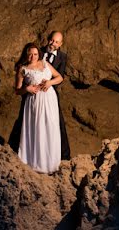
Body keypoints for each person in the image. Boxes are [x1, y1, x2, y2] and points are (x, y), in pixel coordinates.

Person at [14, 43, 62, 173]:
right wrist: (27, 88)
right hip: (35, 101)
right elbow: (17, 91)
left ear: (38, 54)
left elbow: (59, 77)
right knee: (38, 128)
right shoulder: (22, 68)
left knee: (50, 127)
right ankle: (36, 162)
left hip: (50, 99)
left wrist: (49, 82)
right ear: (26, 54)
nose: (33, 57)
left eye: (35, 54)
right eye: (30, 54)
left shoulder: (45, 63)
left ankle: (51, 163)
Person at [40, 31, 71, 160]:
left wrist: (49, 84)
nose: (53, 43)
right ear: (48, 39)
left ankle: (64, 156)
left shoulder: (62, 57)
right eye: (52, 40)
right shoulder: (39, 52)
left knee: (57, 123)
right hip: (36, 92)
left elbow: (60, 76)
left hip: (51, 93)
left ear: (60, 44)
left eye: (56, 42)